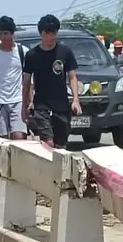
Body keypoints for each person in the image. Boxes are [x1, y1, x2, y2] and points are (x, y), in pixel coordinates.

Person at [22, 14, 82, 149]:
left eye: (53, 33)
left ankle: (59, 169)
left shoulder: (65, 52)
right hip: (41, 105)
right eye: (47, 33)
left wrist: (76, 100)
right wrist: (24, 105)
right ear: (40, 33)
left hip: (61, 105)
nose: (50, 36)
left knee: (60, 145)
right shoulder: (32, 55)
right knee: (48, 143)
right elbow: (26, 81)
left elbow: (72, 76)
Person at [0, 15, 27, 139]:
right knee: (0, 141)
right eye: (0, 34)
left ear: (13, 34)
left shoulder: (23, 52)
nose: (3, 37)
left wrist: (29, 100)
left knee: (19, 138)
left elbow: (28, 79)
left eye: (6, 33)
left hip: (17, 101)